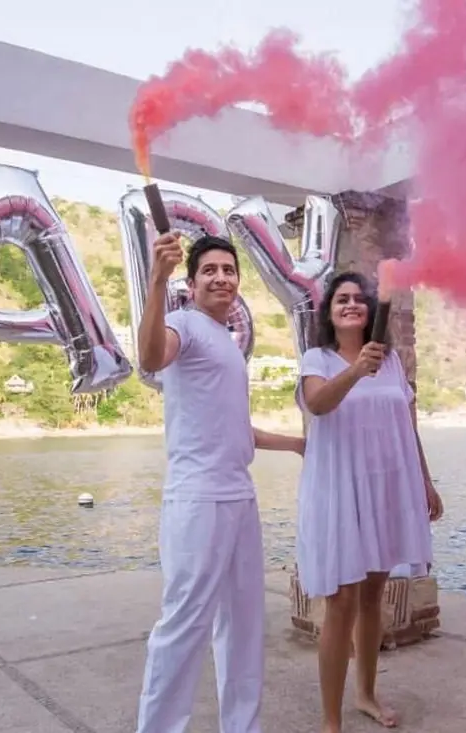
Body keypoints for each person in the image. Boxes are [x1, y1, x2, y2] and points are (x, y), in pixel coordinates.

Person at [134, 231, 305, 733]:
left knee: (244, 626)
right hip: (198, 499)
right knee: (184, 626)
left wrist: (296, 444)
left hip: (239, 496)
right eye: (209, 270)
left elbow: (236, 430)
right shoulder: (182, 324)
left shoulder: (229, 345)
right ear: (191, 283)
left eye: (229, 270)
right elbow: (149, 358)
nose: (221, 277)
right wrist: (155, 280)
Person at [295, 271, 443, 732]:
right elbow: (317, 404)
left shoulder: (393, 363)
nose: (352, 305)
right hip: (339, 490)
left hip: (384, 489)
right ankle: (330, 719)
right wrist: (356, 369)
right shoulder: (316, 358)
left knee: (374, 596)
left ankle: (366, 694)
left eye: (360, 299)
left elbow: (408, 426)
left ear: (371, 309)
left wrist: (425, 482)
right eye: (342, 299)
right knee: (341, 602)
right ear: (330, 311)